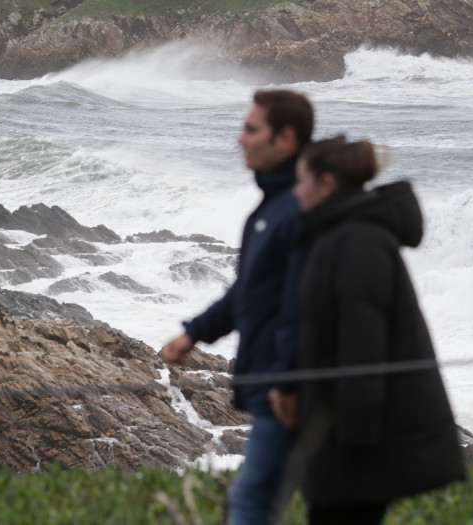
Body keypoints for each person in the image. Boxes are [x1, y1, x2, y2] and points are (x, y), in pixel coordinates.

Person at [277, 136, 466, 524]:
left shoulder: (358, 242)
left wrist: (354, 443)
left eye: (301, 181)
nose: (295, 191)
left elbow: (363, 346)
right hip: (337, 427)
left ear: (326, 183)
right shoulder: (337, 236)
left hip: (353, 437)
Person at [160, 89, 313, 525]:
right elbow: (250, 292)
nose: (240, 140)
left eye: (251, 130)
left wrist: (287, 377)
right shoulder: (271, 208)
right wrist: (194, 333)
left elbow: (305, 303)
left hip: (292, 386)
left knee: (252, 501)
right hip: (283, 382)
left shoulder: (299, 210)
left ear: (285, 138)